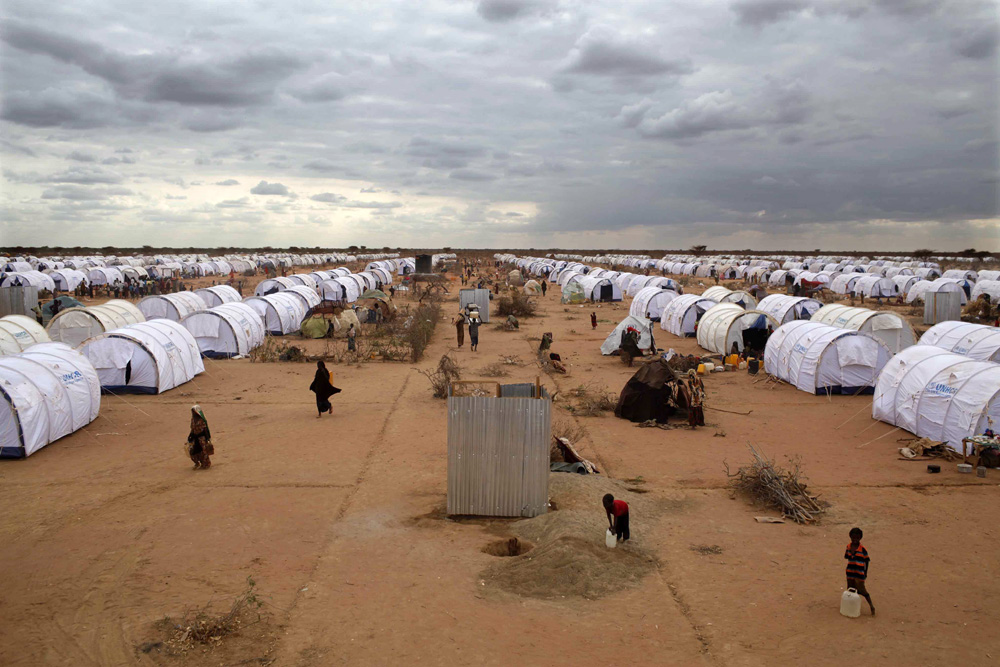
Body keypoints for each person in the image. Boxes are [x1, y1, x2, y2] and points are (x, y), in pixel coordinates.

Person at [845, 527, 875, 616]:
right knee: (850, 590)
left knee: (862, 591)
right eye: (853, 538)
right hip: (850, 572)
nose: (855, 540)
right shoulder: (848, 547)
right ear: (850, 537)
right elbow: (847, 557)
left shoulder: (863, 549)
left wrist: (865, 572)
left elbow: (867, 561)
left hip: (859, 573)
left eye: (857, 538)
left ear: (860, 538)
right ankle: (851, 608)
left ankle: (871, 606)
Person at [187, 405, 214, 469]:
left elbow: (205, 429)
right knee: (193, 451)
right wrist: (190, 436)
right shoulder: (193, 420)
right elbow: (192, 429)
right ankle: (197, 462)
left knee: (203, 452)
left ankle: (206, 464)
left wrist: (207, 438)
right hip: (195, 438)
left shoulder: (201, 420)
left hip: (201, 438)